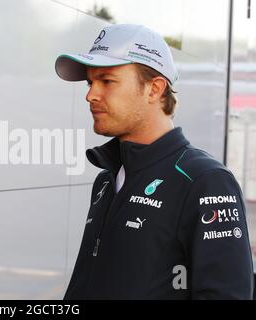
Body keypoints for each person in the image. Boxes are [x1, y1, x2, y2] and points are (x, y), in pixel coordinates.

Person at [55, 23, 254, 299]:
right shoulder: (107, 179)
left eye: (107, 81)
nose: (91, 95)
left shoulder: (206, 182)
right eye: (90, 82)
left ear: (154, 89)